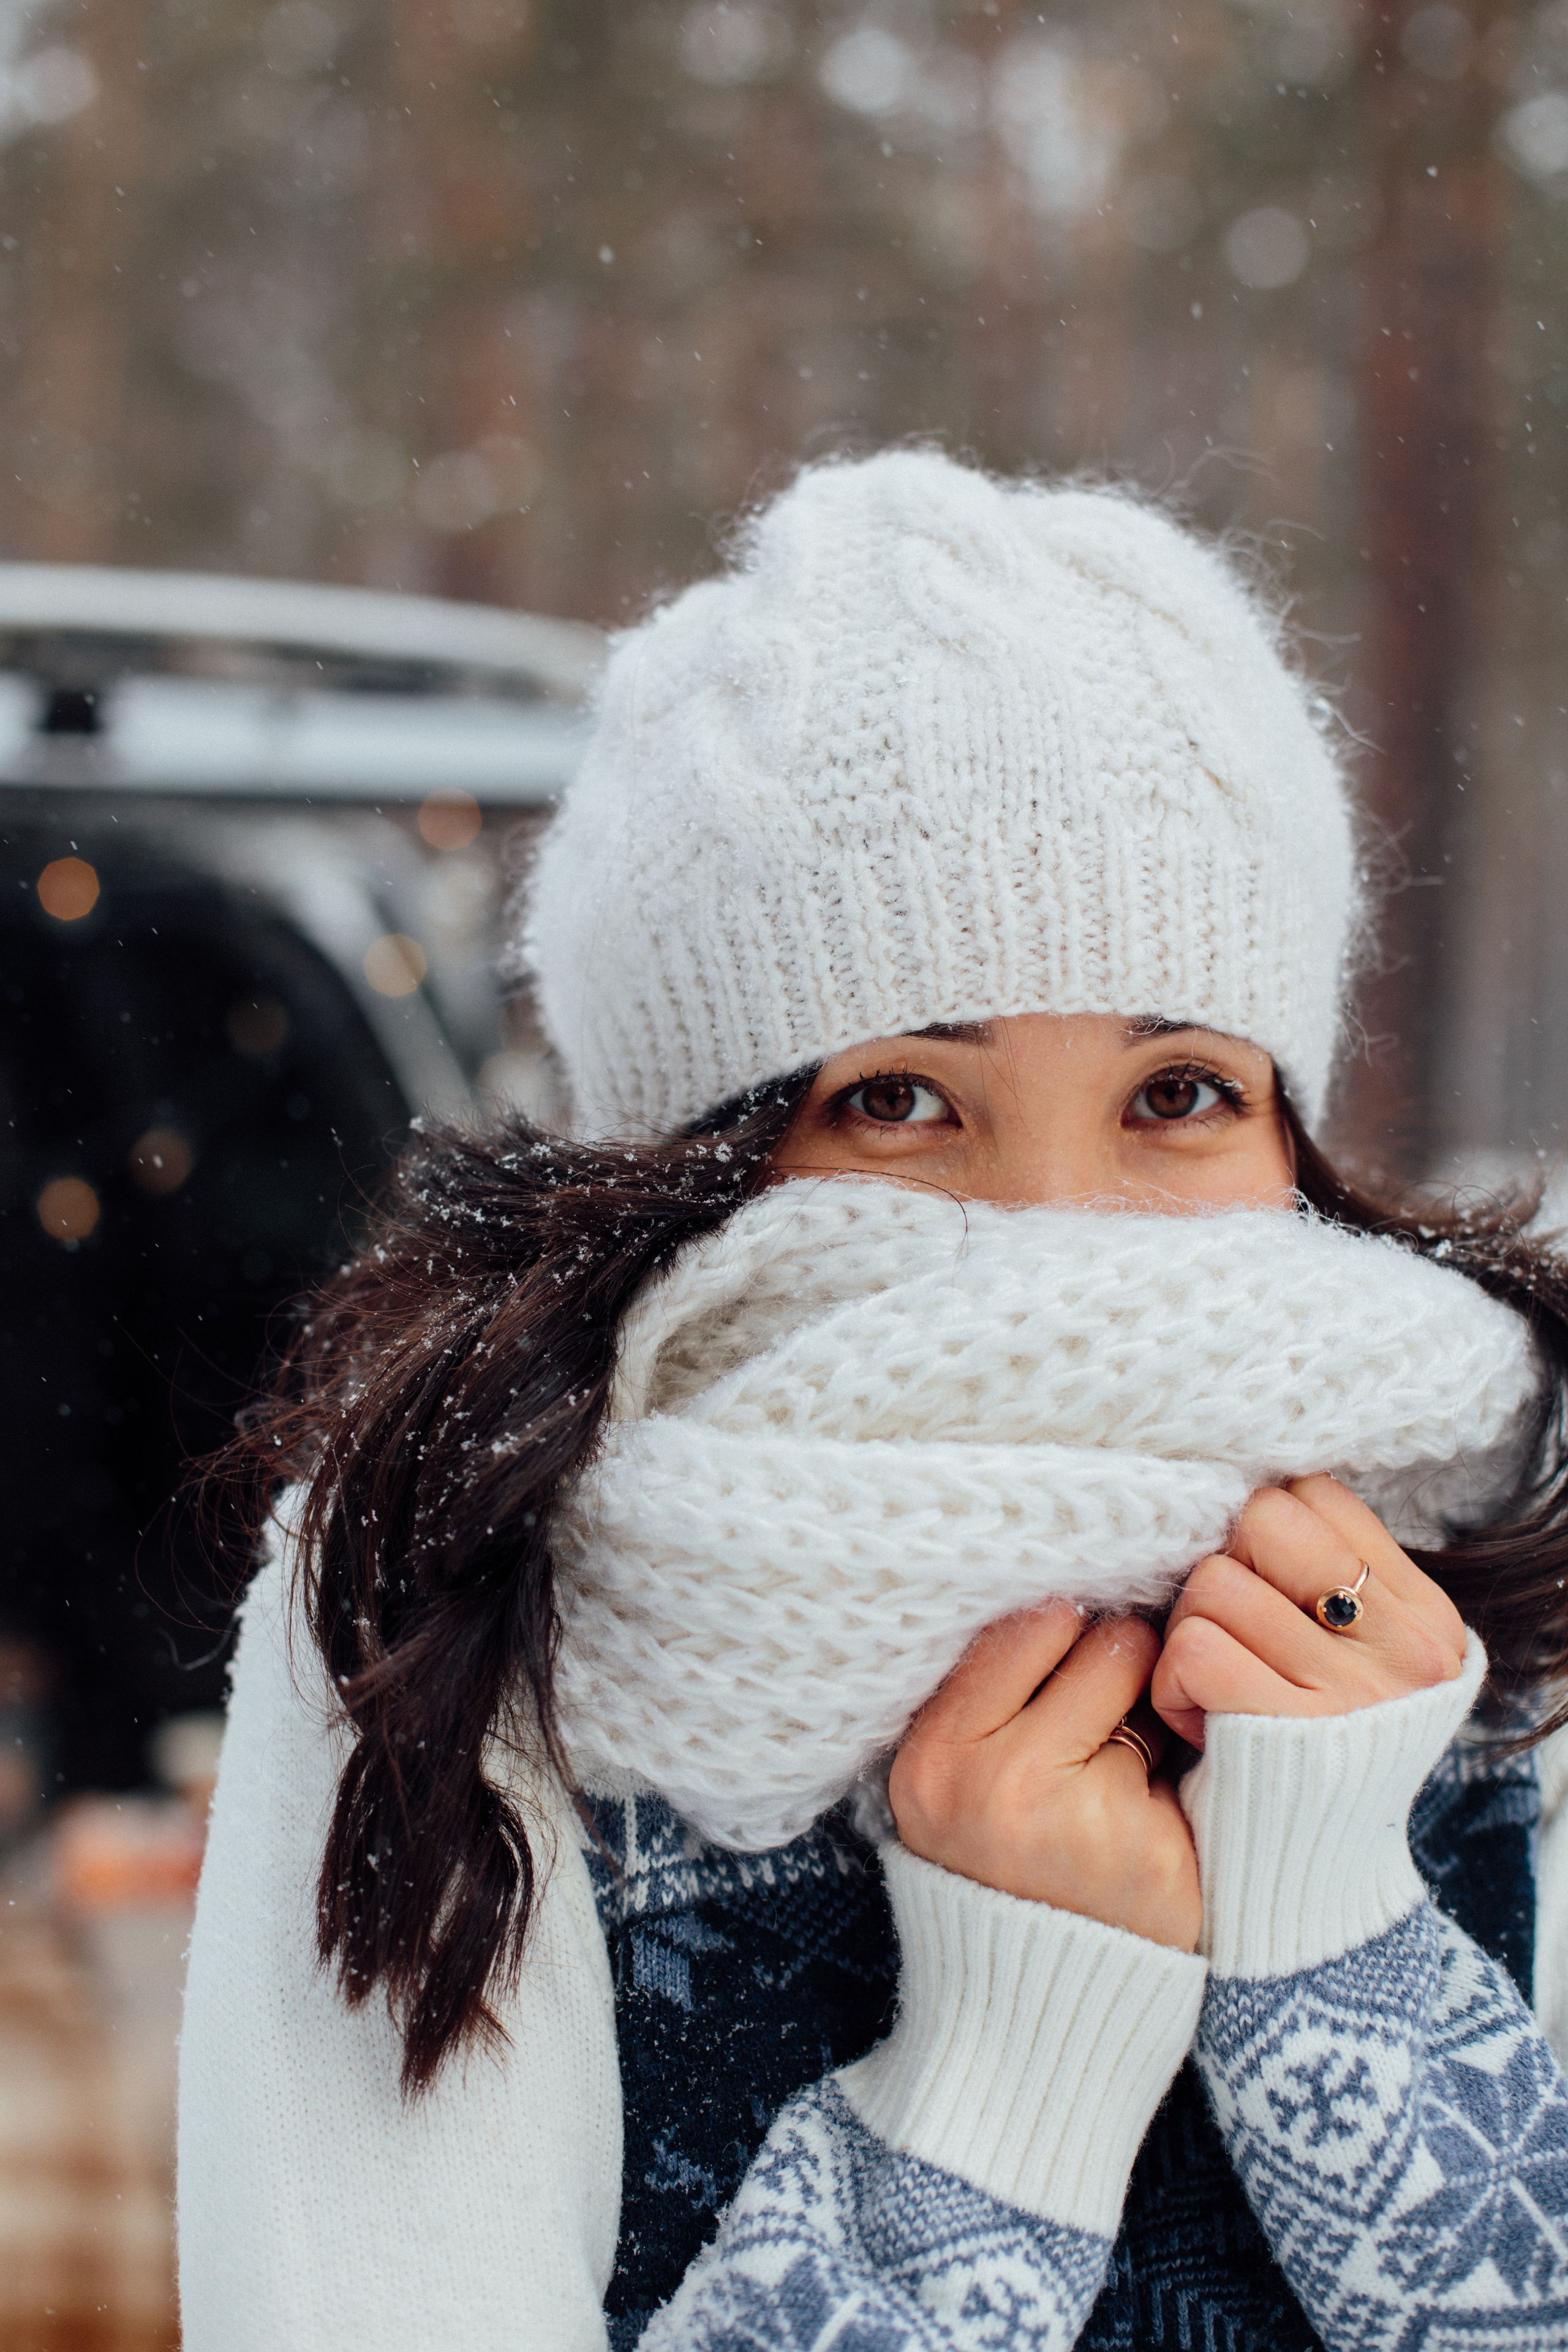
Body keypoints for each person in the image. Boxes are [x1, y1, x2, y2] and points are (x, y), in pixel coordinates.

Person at [178, 450, 1568, 2352]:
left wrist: (1343, 1939)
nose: (1060, 1234)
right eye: (904, 1102)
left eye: (1176, 1096)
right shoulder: (459, 1607)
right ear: (701, 1161)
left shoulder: (1510, 1553)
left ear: (1293, 1129)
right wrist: (993, 2098)